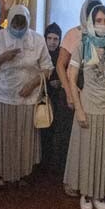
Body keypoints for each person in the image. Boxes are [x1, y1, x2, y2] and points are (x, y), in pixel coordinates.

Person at [0, 4, 52, 186]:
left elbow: (47, 68)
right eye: (15, 24)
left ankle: (23, 174)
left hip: (27, 97)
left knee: (22, 138)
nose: (18, 28)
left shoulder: (37, 40)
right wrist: (3, 57)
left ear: (28, 23)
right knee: (4, 137)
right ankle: (2, 174)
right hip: (1, 96)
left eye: (22, 25)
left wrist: (32, 84)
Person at [64, 4, 105, 209]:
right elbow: (72, 78)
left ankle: (99, 194)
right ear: (91, 23)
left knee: (104, 154)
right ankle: (85, 194)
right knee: (87, 153)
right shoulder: (82, 46)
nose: (102, 24)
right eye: (98, 21)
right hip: (88, 107)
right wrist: (79, 109)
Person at [56, 0, 102, 196]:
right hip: (72, 89)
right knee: (69, 139)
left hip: (92, 94)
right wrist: (69, 92)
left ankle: (86, 180)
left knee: (87, 139)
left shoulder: (101, 36)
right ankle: (69, 180)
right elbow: (61, 65)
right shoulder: (73, 34)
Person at [41, 22, 73, 176]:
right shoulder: (41, 53)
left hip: (59, 100)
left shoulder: (62, 56)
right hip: (43, 99)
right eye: (49, 38)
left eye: (55, 39)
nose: (52, 42)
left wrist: (60, 82)